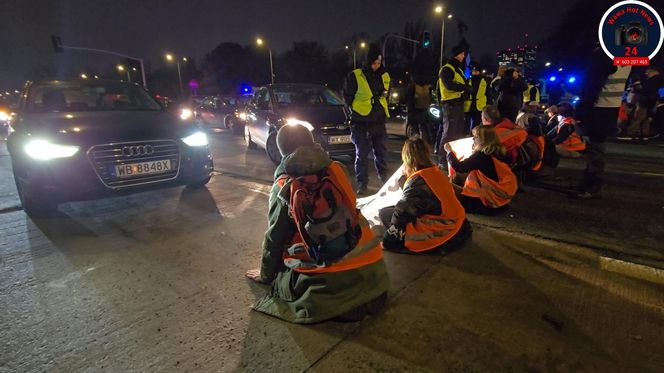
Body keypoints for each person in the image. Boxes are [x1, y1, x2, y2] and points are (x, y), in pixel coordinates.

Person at [246, 124, 389, 323]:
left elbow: (274, 237)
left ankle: (341, 302)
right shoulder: (337, 169)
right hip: (373, 268)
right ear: (312, 142)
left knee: (283, 280)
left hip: (329, 281)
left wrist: (265, 274)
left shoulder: (283, 185)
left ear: (282, 152)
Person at [379, 138, 471, 254]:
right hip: (459, 223)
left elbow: (402, 213)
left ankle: (404, 238)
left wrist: (388, 241)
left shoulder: (418, 180)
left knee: (385, 213)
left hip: (444, 230)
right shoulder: (435, 171)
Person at [573, 46, 632, 199]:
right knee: (597, 148)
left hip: (598, 107)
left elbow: (592, 86)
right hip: (611, 107)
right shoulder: (628, 56)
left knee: (595, 149)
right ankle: (589, 183)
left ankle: (592, 186)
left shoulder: (604, 55)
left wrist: (581, 111)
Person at [343, 44, 391, 195]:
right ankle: (362, 184)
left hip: (378, 121)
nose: (377, 66)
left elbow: (386, 96)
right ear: (368, 61)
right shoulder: (355, 75)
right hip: (361, 122)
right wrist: (357, 110)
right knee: (361, 155)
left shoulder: (385, 76)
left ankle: (384, 181)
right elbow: (347, 97)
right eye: (374, 63)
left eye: (379, 63)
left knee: (381, 153)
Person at [446, 125, 517, 215]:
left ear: (484, 140)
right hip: (500, 202)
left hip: (485, 203)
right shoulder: (499, 152)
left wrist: (449, 152)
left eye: (476, 137)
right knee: (459, 177)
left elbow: (460, 167)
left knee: (444, 185)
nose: (473, 140)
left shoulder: (482, 155)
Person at [436, 45, 470, 159]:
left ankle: (452, 158)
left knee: (456, 133)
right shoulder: (447, 69)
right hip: (450, 105)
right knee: (449, 133)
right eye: (462, 54)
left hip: (458, 104)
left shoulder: (458, 69)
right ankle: (442, 159)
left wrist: (466, 89)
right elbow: (449, 85)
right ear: (457, 54)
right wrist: (464, 88)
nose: (463, 56)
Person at [405, 74, 434, 145]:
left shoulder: (412, 86)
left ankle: (414, 142)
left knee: (414, 127)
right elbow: (431, 98)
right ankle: (426, 141)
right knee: (424, 126)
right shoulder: (428, 87)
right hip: (424, 109)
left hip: (414, 110)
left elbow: (407, 98)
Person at [464, 65, 490, 132]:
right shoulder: (467, 81)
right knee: (466, 124)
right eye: (473, 71)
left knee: (477, 124)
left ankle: (475, 136)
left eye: (476, 71)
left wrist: (488, 105)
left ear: (479, 72)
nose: (475, 72)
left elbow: (488, 94)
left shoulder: (484, 81)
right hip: (468, 106)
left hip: (479, 106)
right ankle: (467, 135)